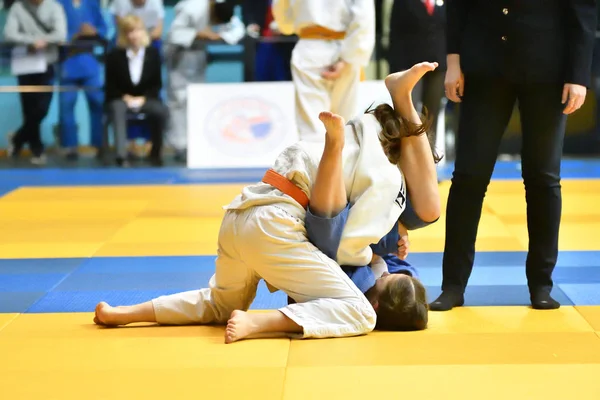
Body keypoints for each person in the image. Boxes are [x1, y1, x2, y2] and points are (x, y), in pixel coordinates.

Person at [93, 62, 441, 343]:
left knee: (219, 304)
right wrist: (378, 252)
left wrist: (389, 237)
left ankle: (127, 312)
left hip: (242, 213)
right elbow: (338, 243)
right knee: (358, 311)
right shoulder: (386, 179)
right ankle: (258, 325)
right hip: (275, 228)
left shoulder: (362, 139)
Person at [430, 0, 598, 312]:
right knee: (468, 176)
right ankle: (453, 285)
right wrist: (453, 62)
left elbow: (584, 12)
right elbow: (457, 6)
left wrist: (579, 74)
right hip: (483, 66)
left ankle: (541, 285)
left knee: (543, 177)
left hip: (549, 69)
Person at [272, 0, 375, 142]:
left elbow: (285, 23)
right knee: (345, 125)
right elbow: (364, 15)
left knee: (312, 128)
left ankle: (315, 163)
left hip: (310, 48)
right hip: (346, 45)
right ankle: (344, 162)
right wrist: (349, 57)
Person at [164, 0, 245, 162]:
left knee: (196, 100)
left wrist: (221, 36)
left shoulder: (223, 6)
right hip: (179, 56)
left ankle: (196, 144)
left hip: (198, 55)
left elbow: (237, 29)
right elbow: (173, 34)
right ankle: (180, 145)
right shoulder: (192, 8)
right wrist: (200, 34)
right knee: (179, 101)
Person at [4, 0, 67, 165]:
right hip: (24, 63)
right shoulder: (18, 7)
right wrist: (31, 41)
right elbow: (9, 33)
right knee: (28, 108)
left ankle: (17, 139)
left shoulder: (55, 7)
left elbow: (60, 34)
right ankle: (37, 150)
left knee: (41, 109)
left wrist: (43, 41)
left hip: (47, 63)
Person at [104, 15, 168, 167]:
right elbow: (110, 86)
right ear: (124, 35)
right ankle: (121, 156)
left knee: (160, 111)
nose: (134, 36)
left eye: (137, 31)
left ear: (143, 32)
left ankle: (156, 153)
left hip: (145, 99)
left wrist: (143, 99)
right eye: (129, 32)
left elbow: (156, 85)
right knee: (117, 108)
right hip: (121, 98)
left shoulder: (153, 54)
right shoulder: (114, 56)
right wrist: (124, 97)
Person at [387, 0, 446, 145]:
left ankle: (430, 157)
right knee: (407, 112)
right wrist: (398, 69)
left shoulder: (445, 3)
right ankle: (408, 155)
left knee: (432, 114)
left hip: (437, 65)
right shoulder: (402, 2)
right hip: (410, 65)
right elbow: (396, 34)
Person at [57, 0, 107, 160]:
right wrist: (74, 36)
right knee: (66, 105)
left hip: (89, 61)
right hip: (67, 61)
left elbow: (104, 29)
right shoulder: (59, 4)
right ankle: (70, 146)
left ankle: (99, 144)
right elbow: (54, 32)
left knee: (97, 102)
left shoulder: (92, 3)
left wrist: (95, 32)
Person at [242, 0, 295, 82]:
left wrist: (285, 28)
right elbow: (248, 11)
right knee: (261, 73)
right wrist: (252, 24)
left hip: (286, 42)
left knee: (283, 75)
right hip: (262, 40)